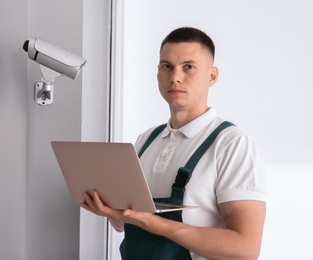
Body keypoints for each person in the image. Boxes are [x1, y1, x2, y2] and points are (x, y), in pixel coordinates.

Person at [81, 27, 267, 260]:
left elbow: (245, 250)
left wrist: (152, 222)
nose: (175, 77)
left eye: (188, 67)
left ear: (212, 76)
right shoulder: (146, 141)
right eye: (166, 66)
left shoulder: (233, 145)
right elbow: (124, 225)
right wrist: (111, 212)